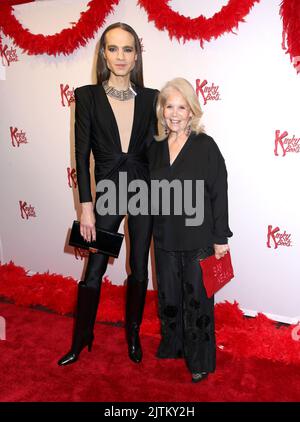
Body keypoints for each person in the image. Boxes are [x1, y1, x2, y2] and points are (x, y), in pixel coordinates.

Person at [58, 23, 158, 366]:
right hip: (107, 195)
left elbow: (160, 153)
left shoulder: (151, 99)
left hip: (144, 193)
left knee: (139, 268)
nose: (120, 56)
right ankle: (81, 337)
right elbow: (81, 155)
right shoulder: (86, 96)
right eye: (113, 48)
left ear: (136, 55)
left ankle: (133, 334)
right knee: (94, 269)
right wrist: (86, 208)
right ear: (103, 53)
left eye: (127, 49)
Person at [148, 78, 233, 383]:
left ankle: (199, 359)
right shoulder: (155, 147)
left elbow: (218, 192)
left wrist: (220, 238)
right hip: (165, 237)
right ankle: (174, 345)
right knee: (169, 295)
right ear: (162, 110)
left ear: (191, 111)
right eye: (169, 105)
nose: (174, 112)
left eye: (181, 106)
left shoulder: (204, 146)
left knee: (197, 298)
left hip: (198, 238)